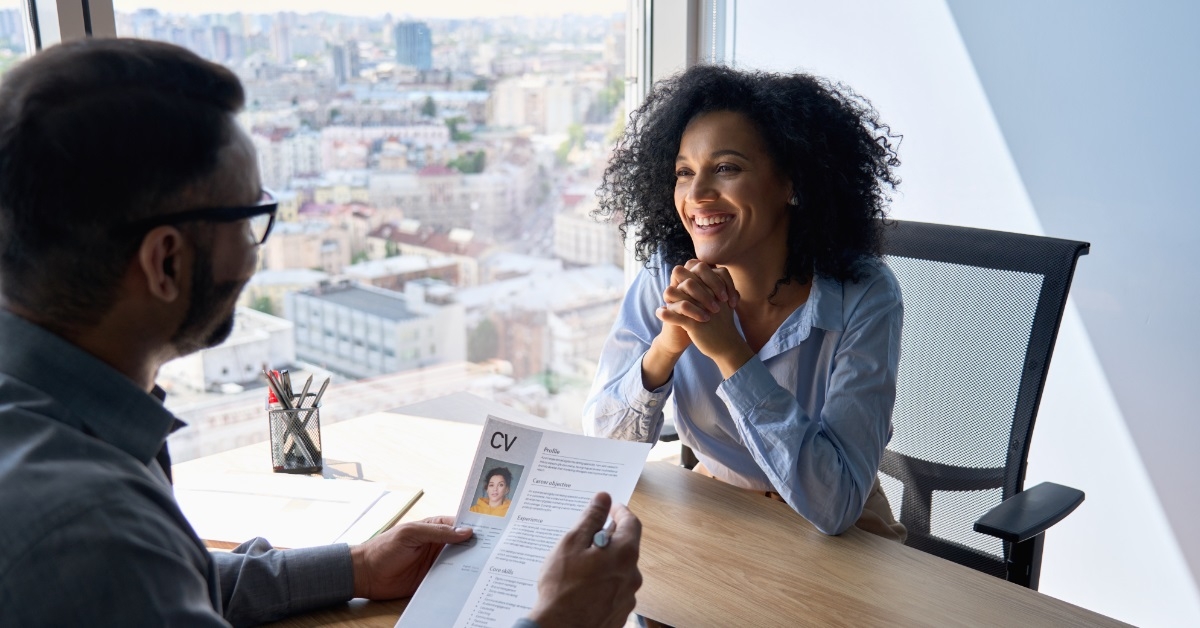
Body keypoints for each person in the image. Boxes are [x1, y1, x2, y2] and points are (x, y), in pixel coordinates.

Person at [0, 38, 641, 627]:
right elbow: (118, 569)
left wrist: (355, 567)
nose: (255, 256)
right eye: (251, 218)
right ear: (165, 261)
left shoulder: (54, 429)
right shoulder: (84, 528)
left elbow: (163, 585)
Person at [584, 64, 907, 542]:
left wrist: (730, 353)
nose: (696, 195)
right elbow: (601, 448)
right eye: (684, 172)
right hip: (718, 510)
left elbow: (836, 503)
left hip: (842, 535)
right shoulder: (667, 271)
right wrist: (666, 349)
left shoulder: (864, 294)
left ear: (791, 181)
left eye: (726, 168)